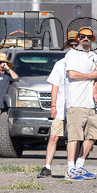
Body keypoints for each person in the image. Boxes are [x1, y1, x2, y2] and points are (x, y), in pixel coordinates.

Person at [38, 31, 79, 178]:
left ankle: (73, 167)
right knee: (54, 137)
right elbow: (54, 86)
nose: (73, 47)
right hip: (61, 107)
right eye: (71, 44)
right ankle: (47, 166)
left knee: (74, 138)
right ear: (67, 46)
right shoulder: (60, 64)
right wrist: (53, 106)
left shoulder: (84, 62)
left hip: (77, 106)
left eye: (76, 44)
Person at [62, 27, 97, 180]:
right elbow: (72, 74)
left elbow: (95, 78)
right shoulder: (72, 54)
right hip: (76, 101)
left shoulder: (94, 56)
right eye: (83, 36)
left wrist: (95, 93)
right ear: (78, 38)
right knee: (74, 136)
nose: (85, 39)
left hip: (89, 102)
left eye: (88, 37)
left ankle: (80, 165)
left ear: (92, 39)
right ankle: (70, 169)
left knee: (92, 135)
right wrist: (89, 75)